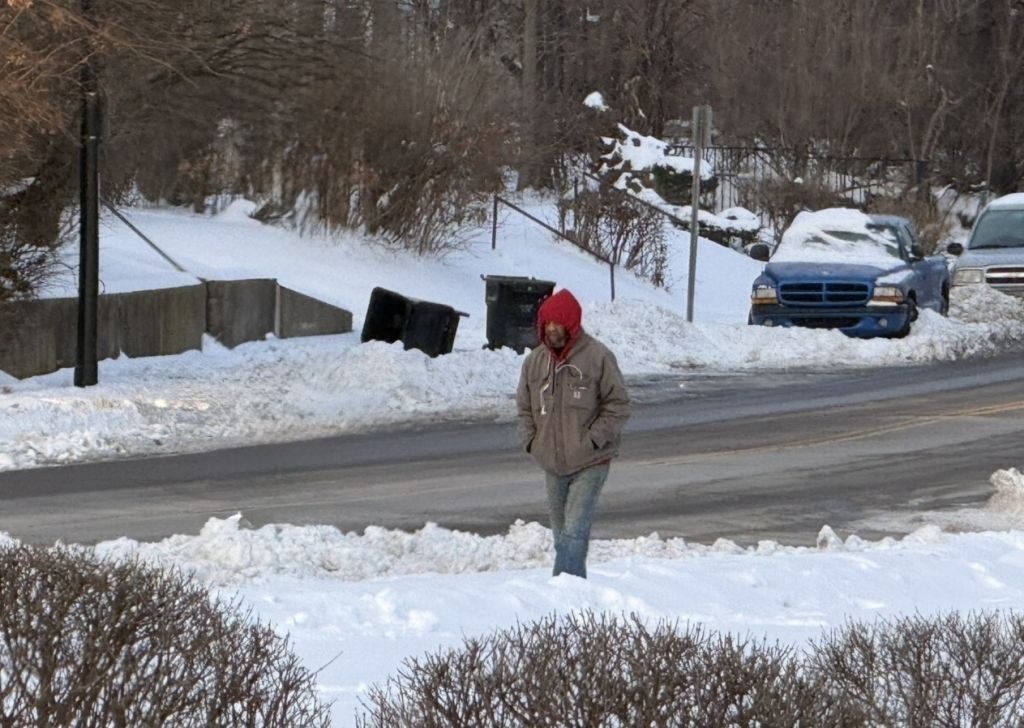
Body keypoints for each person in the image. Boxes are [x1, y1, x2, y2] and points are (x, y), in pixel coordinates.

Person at [516, 288, 630, 578]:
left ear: (571, 325)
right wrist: (531, 441)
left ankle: (561, 589)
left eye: (558, 324)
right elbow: (524, 406)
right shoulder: (534, 362)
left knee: (575, 531)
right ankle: (574, 594)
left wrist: (593, 439)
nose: (552, 331)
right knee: (561, 536)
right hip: (552, 462)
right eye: (547, 325)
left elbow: (618, 405)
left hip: (590, 461)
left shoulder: (598, 357)